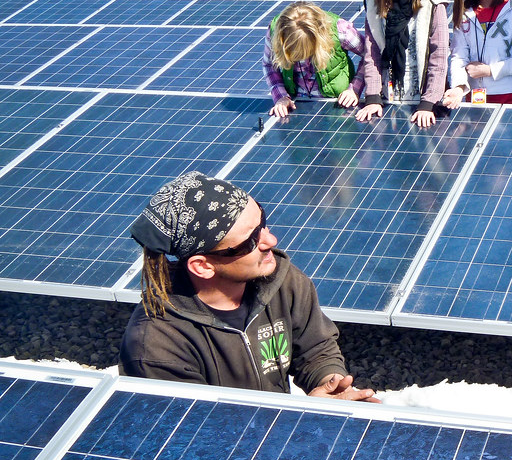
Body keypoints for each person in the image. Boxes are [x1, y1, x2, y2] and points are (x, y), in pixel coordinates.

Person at [120, 171, 378, 402]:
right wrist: (301, 418)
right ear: (203, 266)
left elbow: (315, 349)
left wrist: (329, 384)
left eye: (262, 222)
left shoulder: (282, 281)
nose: (271, 240)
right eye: (250, 241)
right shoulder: (155, 346)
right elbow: (196, 429)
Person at [357, 0, 449, 128]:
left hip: (424, 104)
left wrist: (428, 102)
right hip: (387, 100)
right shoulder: (374, 3)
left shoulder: (433, 2)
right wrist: (373, 97)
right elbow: (372, 53)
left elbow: (439, 56)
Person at [263, 1, 364, 119]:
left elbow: (370, 57)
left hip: (337, 106)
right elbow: (269, 65)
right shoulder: (276, 31)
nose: (302, 58)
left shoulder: (340, 30)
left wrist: (354, 89)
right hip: (296, 106)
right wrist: (281, 97)